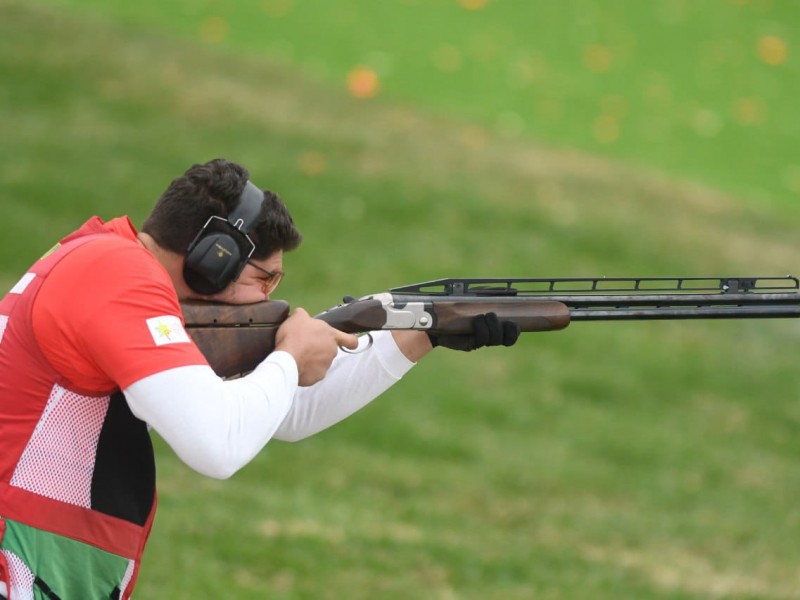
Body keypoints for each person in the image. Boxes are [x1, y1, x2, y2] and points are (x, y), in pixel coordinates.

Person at [0, 158, 519, 599]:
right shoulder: (119, 277)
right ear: (213, 259)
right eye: (264, 278)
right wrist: (289, 358)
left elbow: (281, 413)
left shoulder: (105, 265)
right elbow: (218, 444)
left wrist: (421, 333)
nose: (268, 299)